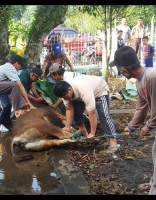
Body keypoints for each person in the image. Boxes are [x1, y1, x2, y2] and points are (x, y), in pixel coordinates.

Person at [109, 46, 156, 194]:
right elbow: (142, 107)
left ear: (124, 69)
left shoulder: (152, 77)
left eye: (118, 68)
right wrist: (131, 126)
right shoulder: (139, 81)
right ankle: (153, 183)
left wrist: (149, 125)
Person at [53, 76, 120, 154]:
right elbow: (69, 109)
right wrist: (67, 126)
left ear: (70, 89)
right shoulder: (66, 94)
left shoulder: (84, 91)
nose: (64, 98)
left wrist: (92, 133)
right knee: (75, 109)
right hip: (83, 92)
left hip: (100, 90)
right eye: (62, 97)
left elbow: (92, 113)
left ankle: (113, 141)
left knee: (104, 115)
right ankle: (82, 130)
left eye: (64, 96)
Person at [0, 67, 44, 132]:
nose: (37, 80)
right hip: (2, 89)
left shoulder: (28, 74)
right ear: (32, 75)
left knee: (10, 105)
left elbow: (31, 87)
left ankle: (7, 122)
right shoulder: (23, 78)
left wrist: (38, 97)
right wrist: (34, 100)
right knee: (7, 105)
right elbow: (23, 93)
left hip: (11, 89)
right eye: (37, 78)